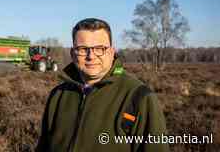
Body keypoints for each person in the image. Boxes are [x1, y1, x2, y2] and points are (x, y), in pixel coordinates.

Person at [35, 18, 169, 152]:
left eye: (100, 48)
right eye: (83, 49)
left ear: (111, 52)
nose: (91, 56)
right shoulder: (58, 95)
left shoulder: (140, 97)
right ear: (72, 53)